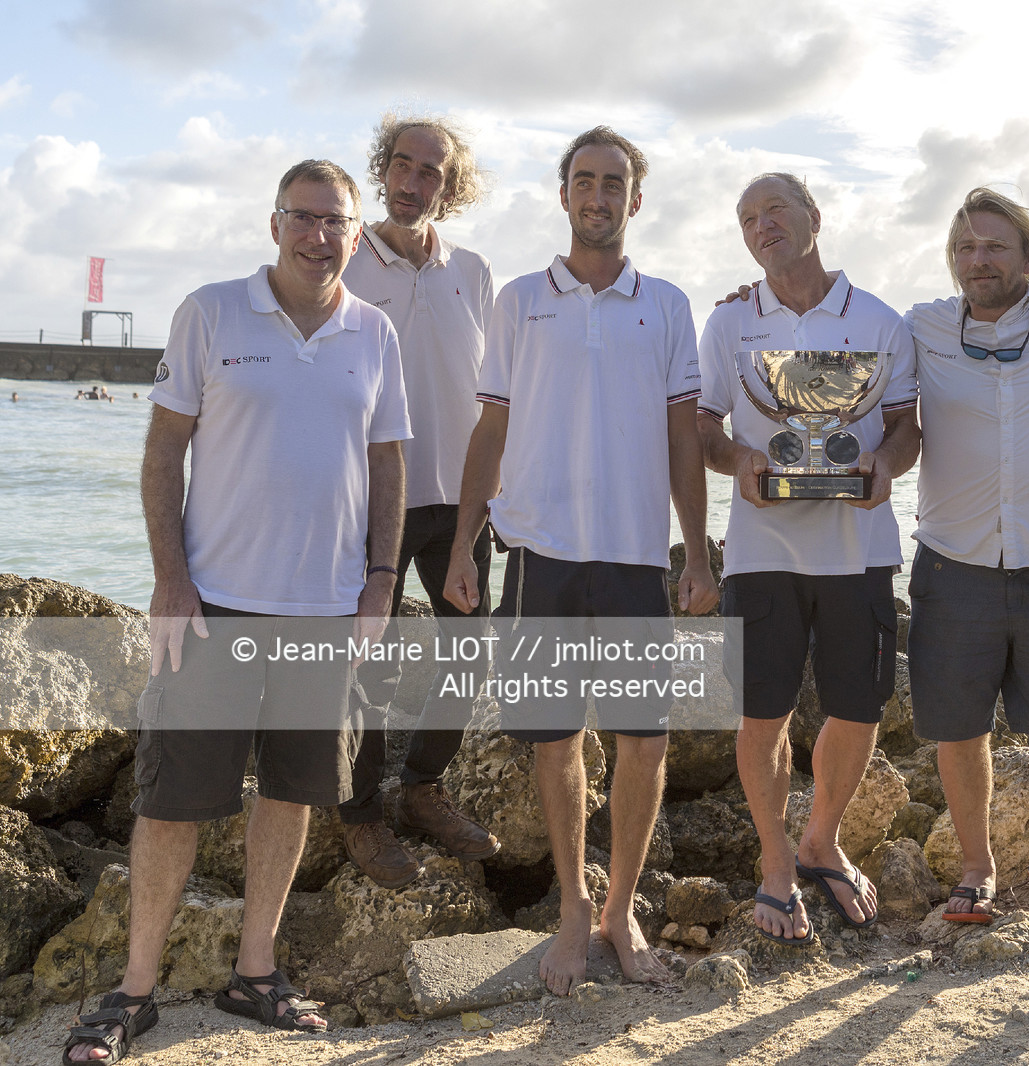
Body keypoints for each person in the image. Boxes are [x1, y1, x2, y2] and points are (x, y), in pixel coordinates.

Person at [64, 159, 409, 1063]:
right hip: (213, 606)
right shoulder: (210, 311)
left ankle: (255, 972)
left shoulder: (375, 333)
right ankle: (134, 988)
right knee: (173, 801)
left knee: (295, 793)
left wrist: (381, 578)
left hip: (328, 611)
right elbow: (162, 451)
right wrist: (170, 579)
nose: (319, 235)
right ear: (274, 224)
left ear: (355, 232)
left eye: (336, 221)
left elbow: (388, 463)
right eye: (304, 217)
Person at [443, 126, 716, 995]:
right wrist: (463, 545)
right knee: (555, 740)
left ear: (635, 200)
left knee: (643, 742)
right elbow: (491, 427)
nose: (597, 197)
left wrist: (699, 551)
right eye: (583, 181)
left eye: (614, 184)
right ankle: (571, 907)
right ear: (564, 195)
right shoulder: (521, 299)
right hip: (539, 554)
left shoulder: (667, 304)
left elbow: (683, 436)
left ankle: (620, 910)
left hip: (637, 558)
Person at [698, 173, 920, 944]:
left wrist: (886, 469)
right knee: (764, 714)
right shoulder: (729, 324)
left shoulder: (882, 321)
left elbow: (905, 427)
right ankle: (774, 861)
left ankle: (820, 838)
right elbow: (702, 430)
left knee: (858, 709)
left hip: (861, 549)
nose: (763, 226)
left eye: (776, 211)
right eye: (748, 217)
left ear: (814, 219)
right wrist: (741, 464)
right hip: (762, 551)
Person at [902, 188, 1029, 924]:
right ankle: (977, 866)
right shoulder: (922, 328)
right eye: (964, 248)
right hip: (952, 563)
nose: (977, 259)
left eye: (993, 246)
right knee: (960, 730)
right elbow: (848, 369)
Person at [337, 111, 499, 888]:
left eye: (430, 171)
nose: (412, 181)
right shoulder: (342, 261)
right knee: (360, 665)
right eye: (402, 164)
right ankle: (360, 814)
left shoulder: (472, 269)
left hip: (460, 504)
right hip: (367, 507)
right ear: (384, 169)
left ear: (450, 185)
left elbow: (495, 395)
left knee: (470, 649)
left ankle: (423, 787)